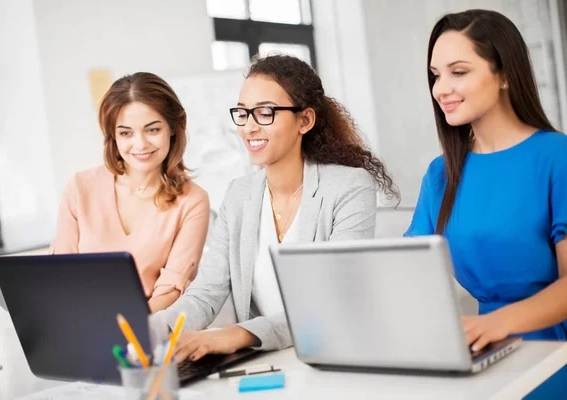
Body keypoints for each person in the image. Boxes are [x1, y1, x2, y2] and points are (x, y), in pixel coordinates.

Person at [150, 54, 399, 361]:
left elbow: (329, 302)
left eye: (265, 113)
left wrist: (238, 334)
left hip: (338, 356)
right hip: (266, 361)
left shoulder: (349, 187)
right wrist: (149, 331)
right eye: (242, 114)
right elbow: (205, 294)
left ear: (305, 120)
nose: (249, 127)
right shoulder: (239, 194)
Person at [405, 10, 567, 398]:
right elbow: (409, 276)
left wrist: (496, 324)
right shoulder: (440, 174)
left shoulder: (557, 157)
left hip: (552, 357)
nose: (440, 88)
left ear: (505, 74)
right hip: (480, 359)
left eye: (458, 72)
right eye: (435, 74)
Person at [52, 72, 210, 313]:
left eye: (152, 130)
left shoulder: (192, 201)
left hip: (148, 332)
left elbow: (171, 291)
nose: (140, 144)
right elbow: (58, 275)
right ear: (113, 137)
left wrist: (125, 328)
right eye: (126, 133)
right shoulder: (79, 187)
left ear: (173, 129)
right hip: (79, 323)